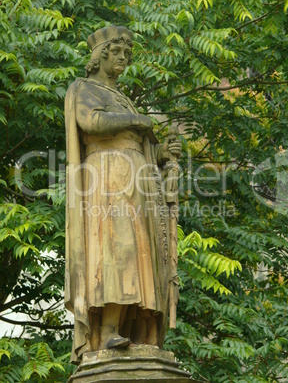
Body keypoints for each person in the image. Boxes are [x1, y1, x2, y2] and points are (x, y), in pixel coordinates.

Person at [64, 25, 181, 364]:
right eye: (117, 53)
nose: (124, 59)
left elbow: (142, 144)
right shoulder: (84, 89)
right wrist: (137, 119)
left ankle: (133, 331)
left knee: (142, 254)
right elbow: (91, 122)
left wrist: (163, 153)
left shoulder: (124, 99)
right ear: (100, 55)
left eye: (128, 55)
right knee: (117, 250)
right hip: (106, 176)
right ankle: (105, 331)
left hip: (137, 179)